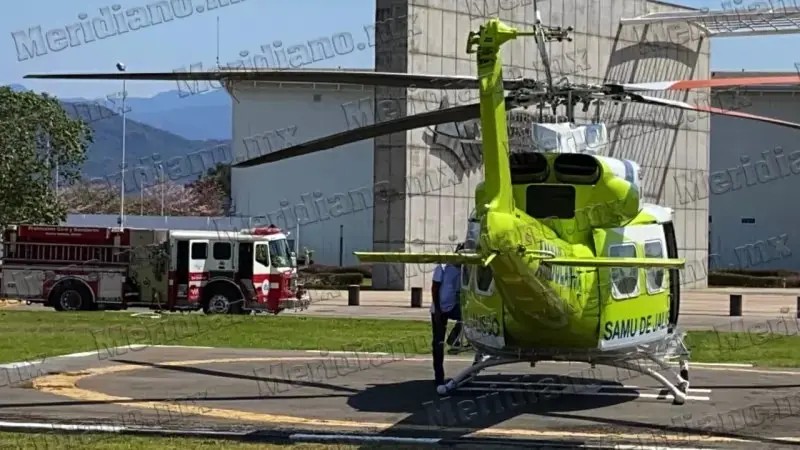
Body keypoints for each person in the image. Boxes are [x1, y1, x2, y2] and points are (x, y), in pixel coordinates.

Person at [431, 243, 465, 394]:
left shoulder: (465, 269)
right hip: (439, 308)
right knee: (438, 342)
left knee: (469, 318)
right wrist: (438, 310)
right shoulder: (443, 267)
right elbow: (435, 287)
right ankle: (439, 377)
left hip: (452, 307)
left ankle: (454, 337)